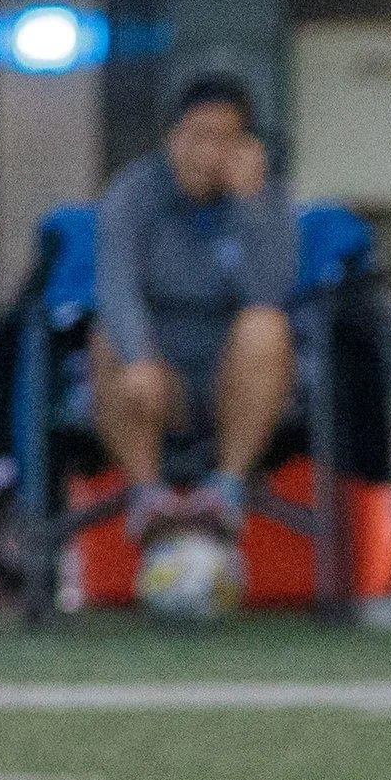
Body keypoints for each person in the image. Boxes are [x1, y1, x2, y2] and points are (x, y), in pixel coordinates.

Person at [91, 75, 297, 542]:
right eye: (198, 135)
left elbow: (271, 292)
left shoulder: (267, 200)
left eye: (225, 138)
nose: (209, 151)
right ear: (173, 137)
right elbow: (115, 284)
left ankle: (226, 489)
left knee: (265, 327)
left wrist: (251, 208)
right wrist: (139, 357)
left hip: (236, 381)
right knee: (108, 338)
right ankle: (146, 495)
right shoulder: (133, 193)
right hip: (158, 377)